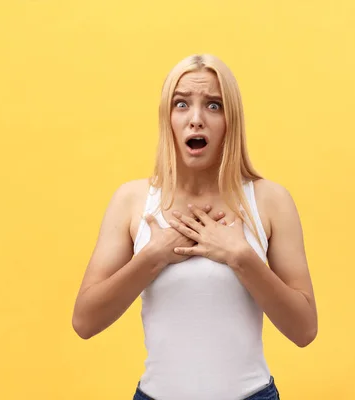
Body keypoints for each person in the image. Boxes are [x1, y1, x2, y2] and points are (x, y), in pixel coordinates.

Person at [72, 54, 318, 400]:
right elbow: (84, 322)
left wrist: (240, 256)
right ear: (167, 117)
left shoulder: (269, 201)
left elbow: (305, 329)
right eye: (182, 104)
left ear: (231, 120)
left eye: (214, 105)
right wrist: (153, 256)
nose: (196, 120)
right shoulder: (133, 201)